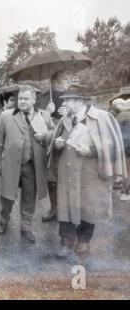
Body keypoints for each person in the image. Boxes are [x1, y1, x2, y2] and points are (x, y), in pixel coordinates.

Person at [48, 86, 127, 258]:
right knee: (66, 205)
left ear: (82, 101)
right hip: (67, 171)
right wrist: (58, 144)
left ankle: (84, 240)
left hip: (90, 172)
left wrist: (91, 150)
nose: (66, 102)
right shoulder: (64, 120)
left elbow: (113, 146)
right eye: (66, 99)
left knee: (88, 206)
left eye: (70, 99)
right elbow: (56, 141)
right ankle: (66, 241)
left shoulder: (102, 118)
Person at [0, 86, 55, 243]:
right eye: (20, 98)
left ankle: (26, 227)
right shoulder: (6, 116)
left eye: (25, 99)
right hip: (10, 163)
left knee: (29, 197)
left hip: (33, 164)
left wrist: (45, 135)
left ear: (34, 100)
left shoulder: (44, 116)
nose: (21, 101)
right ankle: (3, 220)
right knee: (7, 196)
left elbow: (54, 132)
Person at [37, 71, 72, 223]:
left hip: (67, 145)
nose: (68, 83)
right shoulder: (43, 98)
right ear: (55, 82)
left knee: (67, 178)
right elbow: (36, 123)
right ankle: (54, 209)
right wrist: (46, 112)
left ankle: (67, 210)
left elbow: (82, 123)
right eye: (65, 80)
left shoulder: (72, 99)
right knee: (51, 179)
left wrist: (69, 114)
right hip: (48, 145)